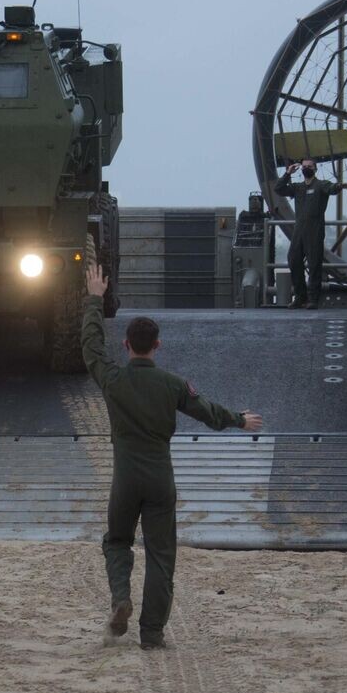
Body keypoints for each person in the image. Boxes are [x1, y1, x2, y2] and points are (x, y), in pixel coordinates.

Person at [82, 264, 263, 649]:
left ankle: (120, 600)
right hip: (161, 479)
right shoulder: (173, 385)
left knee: (117, 541)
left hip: (125, 478)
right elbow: (208, 412)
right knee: (161, 556)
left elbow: (91, 347)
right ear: (158, 345)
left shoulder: (114, 379)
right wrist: (239, 420)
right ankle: (152, 633)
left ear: (127, 345)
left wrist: (94, 300)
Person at [273, 157, 347, 309]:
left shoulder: (320, 185)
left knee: (314, 264)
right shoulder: (298, 187)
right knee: (293, 260)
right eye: (304, 166)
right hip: (299, 230)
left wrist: (340, 186)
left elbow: (332, 188)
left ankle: (313, 299)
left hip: (314, 230)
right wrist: (288, 173)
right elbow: (279, 189)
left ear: (315, 169)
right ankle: (300, 296)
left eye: (309, 166)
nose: (306, 168)